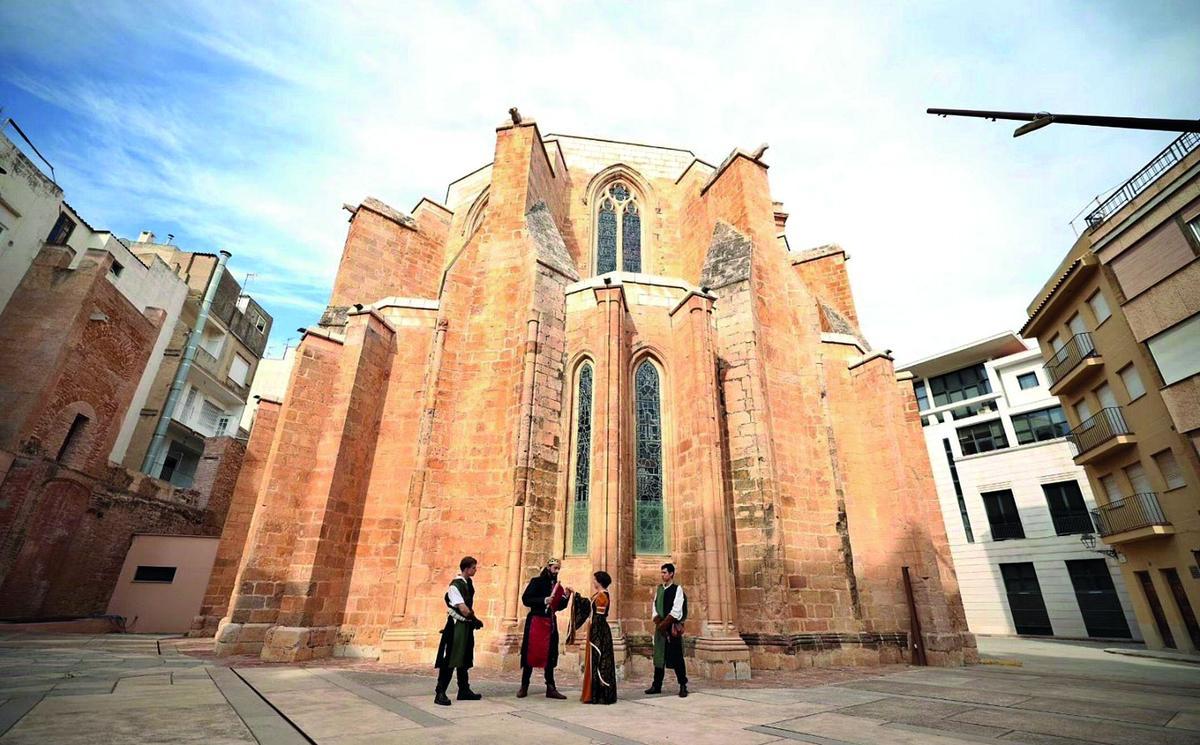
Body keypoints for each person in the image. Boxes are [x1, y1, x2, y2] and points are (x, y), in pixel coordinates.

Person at [433, 556, 484, 706]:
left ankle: (464, 690)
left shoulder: (468, 583)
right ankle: (440, 692)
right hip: (456, 626)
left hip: (465, 626)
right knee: (450, 658)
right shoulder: (455, 586)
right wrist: (474, 619)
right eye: (474, 567)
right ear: (467, 568)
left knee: (465, 657)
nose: (475, 570)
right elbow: (462, 607)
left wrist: (472, 620)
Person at [517, 557, 570, 699]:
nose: (557, 571)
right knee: (530, 652)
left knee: (550, 654)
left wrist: (566, 597)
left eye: (558, 568)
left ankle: (551, 688)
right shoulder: (536, 582)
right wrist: (543, 600)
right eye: (555, 568)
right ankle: (524, 685)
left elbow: (558, 606)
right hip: (536, 622)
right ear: (548, 568)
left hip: (550, 622)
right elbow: (526, 599)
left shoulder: (557, 586)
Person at [644, 562, 688, 698]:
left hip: (672, 628)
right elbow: (654, 608)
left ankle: (682, 685)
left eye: (665, 572)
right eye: (662, 573)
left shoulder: (677, 589)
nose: (662, 575)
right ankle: (656, 685)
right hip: (660, 629)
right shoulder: (659, 589)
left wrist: (664, 625)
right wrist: (659, 623)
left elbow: (677, 610)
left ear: (671, 574)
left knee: (677, 658)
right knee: (659, 658)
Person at [580, 570, 617, 704]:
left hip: (599, 631)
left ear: (599, 581)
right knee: (595, 660)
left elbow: (599, 617)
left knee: (599, 660)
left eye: (595, 579)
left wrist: (595, 631)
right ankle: (593, 693)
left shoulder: (602, 596)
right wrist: (575, 595)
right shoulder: (599, 594)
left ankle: (599, 694)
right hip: (597, 629)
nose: (593, 581)